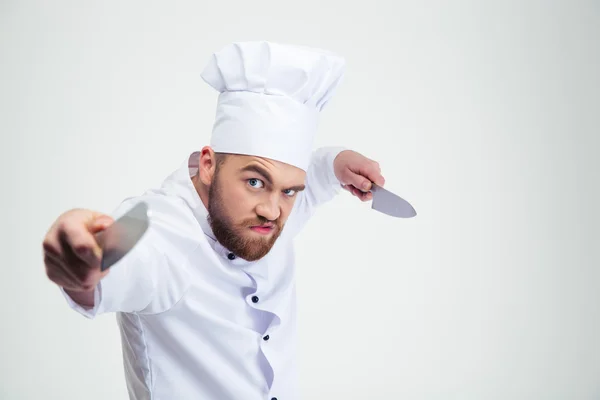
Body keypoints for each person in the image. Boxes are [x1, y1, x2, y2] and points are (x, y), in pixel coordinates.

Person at [43, 41, 386, 400]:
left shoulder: (275, 206)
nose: (272, 210)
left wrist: (336, 163)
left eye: (288, 192)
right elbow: (119, 255)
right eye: (255, 182)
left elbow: (310, 178)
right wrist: (83, 259)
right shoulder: (159, 229)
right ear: (208, 164)